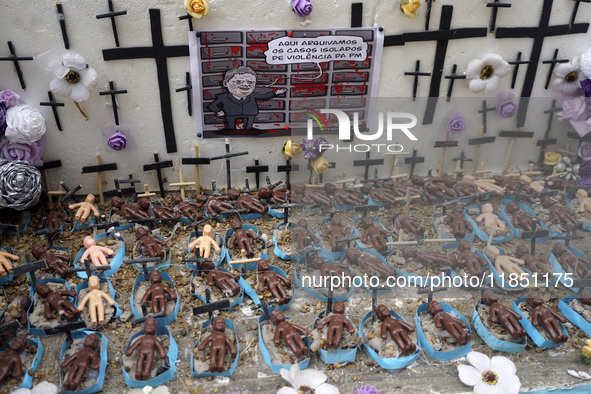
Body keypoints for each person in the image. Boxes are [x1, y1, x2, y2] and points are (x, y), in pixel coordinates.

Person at [207, 66, 286, 130]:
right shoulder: (223, 97)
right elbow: (212, 106)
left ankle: (249, 128)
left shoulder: (252, 95)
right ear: (225, 83)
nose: (246, 85)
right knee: (231, 127)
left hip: (249, 113)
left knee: (249, 126)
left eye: (251, 82)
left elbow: (264, 96)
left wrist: (276, 93)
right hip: (231, 113)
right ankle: (231, 129)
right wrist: (218, 111)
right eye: (239, 81)